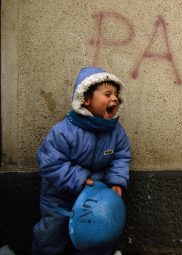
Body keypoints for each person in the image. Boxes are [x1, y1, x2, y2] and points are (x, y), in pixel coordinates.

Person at [31, 67, 131, 255]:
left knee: (98, 236)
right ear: (86, 99)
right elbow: (51, 163)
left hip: (96, 198)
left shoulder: (116, 132)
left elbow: (121, 156)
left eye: (116, 94)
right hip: (60, 196)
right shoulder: (63, 132)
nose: (115, 98)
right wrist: (80, 179)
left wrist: (116, 181)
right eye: (107, 94)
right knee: (51, 235)